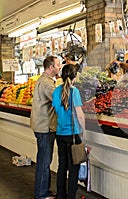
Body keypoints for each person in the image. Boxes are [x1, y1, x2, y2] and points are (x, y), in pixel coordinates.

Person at [52, 64, 85, 199]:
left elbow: (55, 111)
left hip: (60, 133)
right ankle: (71, 196)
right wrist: (84, 131)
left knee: (62, 166)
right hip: (73, 134)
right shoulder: (74, 91)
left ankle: (60, 195)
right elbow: (80, 114)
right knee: (73, 168)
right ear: (74, 77)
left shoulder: (55, 91)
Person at [30, 55, 61, 199]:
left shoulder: (45, 81)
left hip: (43, 125)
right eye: (58, 65)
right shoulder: (46, 83)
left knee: (45, 159)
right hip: (45, 126)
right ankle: (41, 194)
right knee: (44, 161)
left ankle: (44, 190)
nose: (59, 67)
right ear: (51, 67)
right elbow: (58, 100)